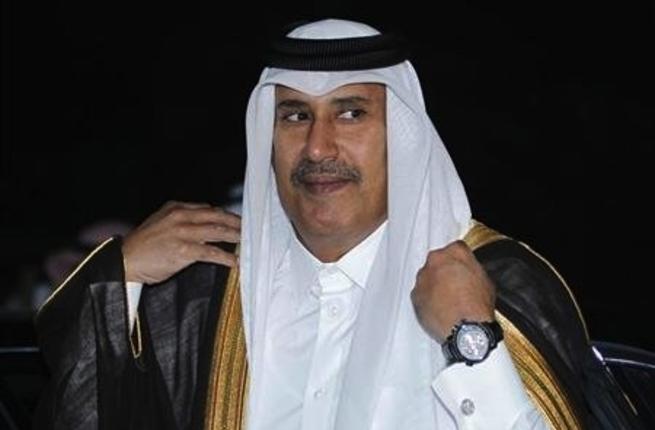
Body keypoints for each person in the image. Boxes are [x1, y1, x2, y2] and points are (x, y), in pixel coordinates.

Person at [34, 19, 644, 430]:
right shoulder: (205, 293)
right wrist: (119, 280)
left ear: (402, 136)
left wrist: (471, 343)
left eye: (351, 113)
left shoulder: (496, 282)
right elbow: (81, 407)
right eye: (295, 116)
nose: (318, 147)